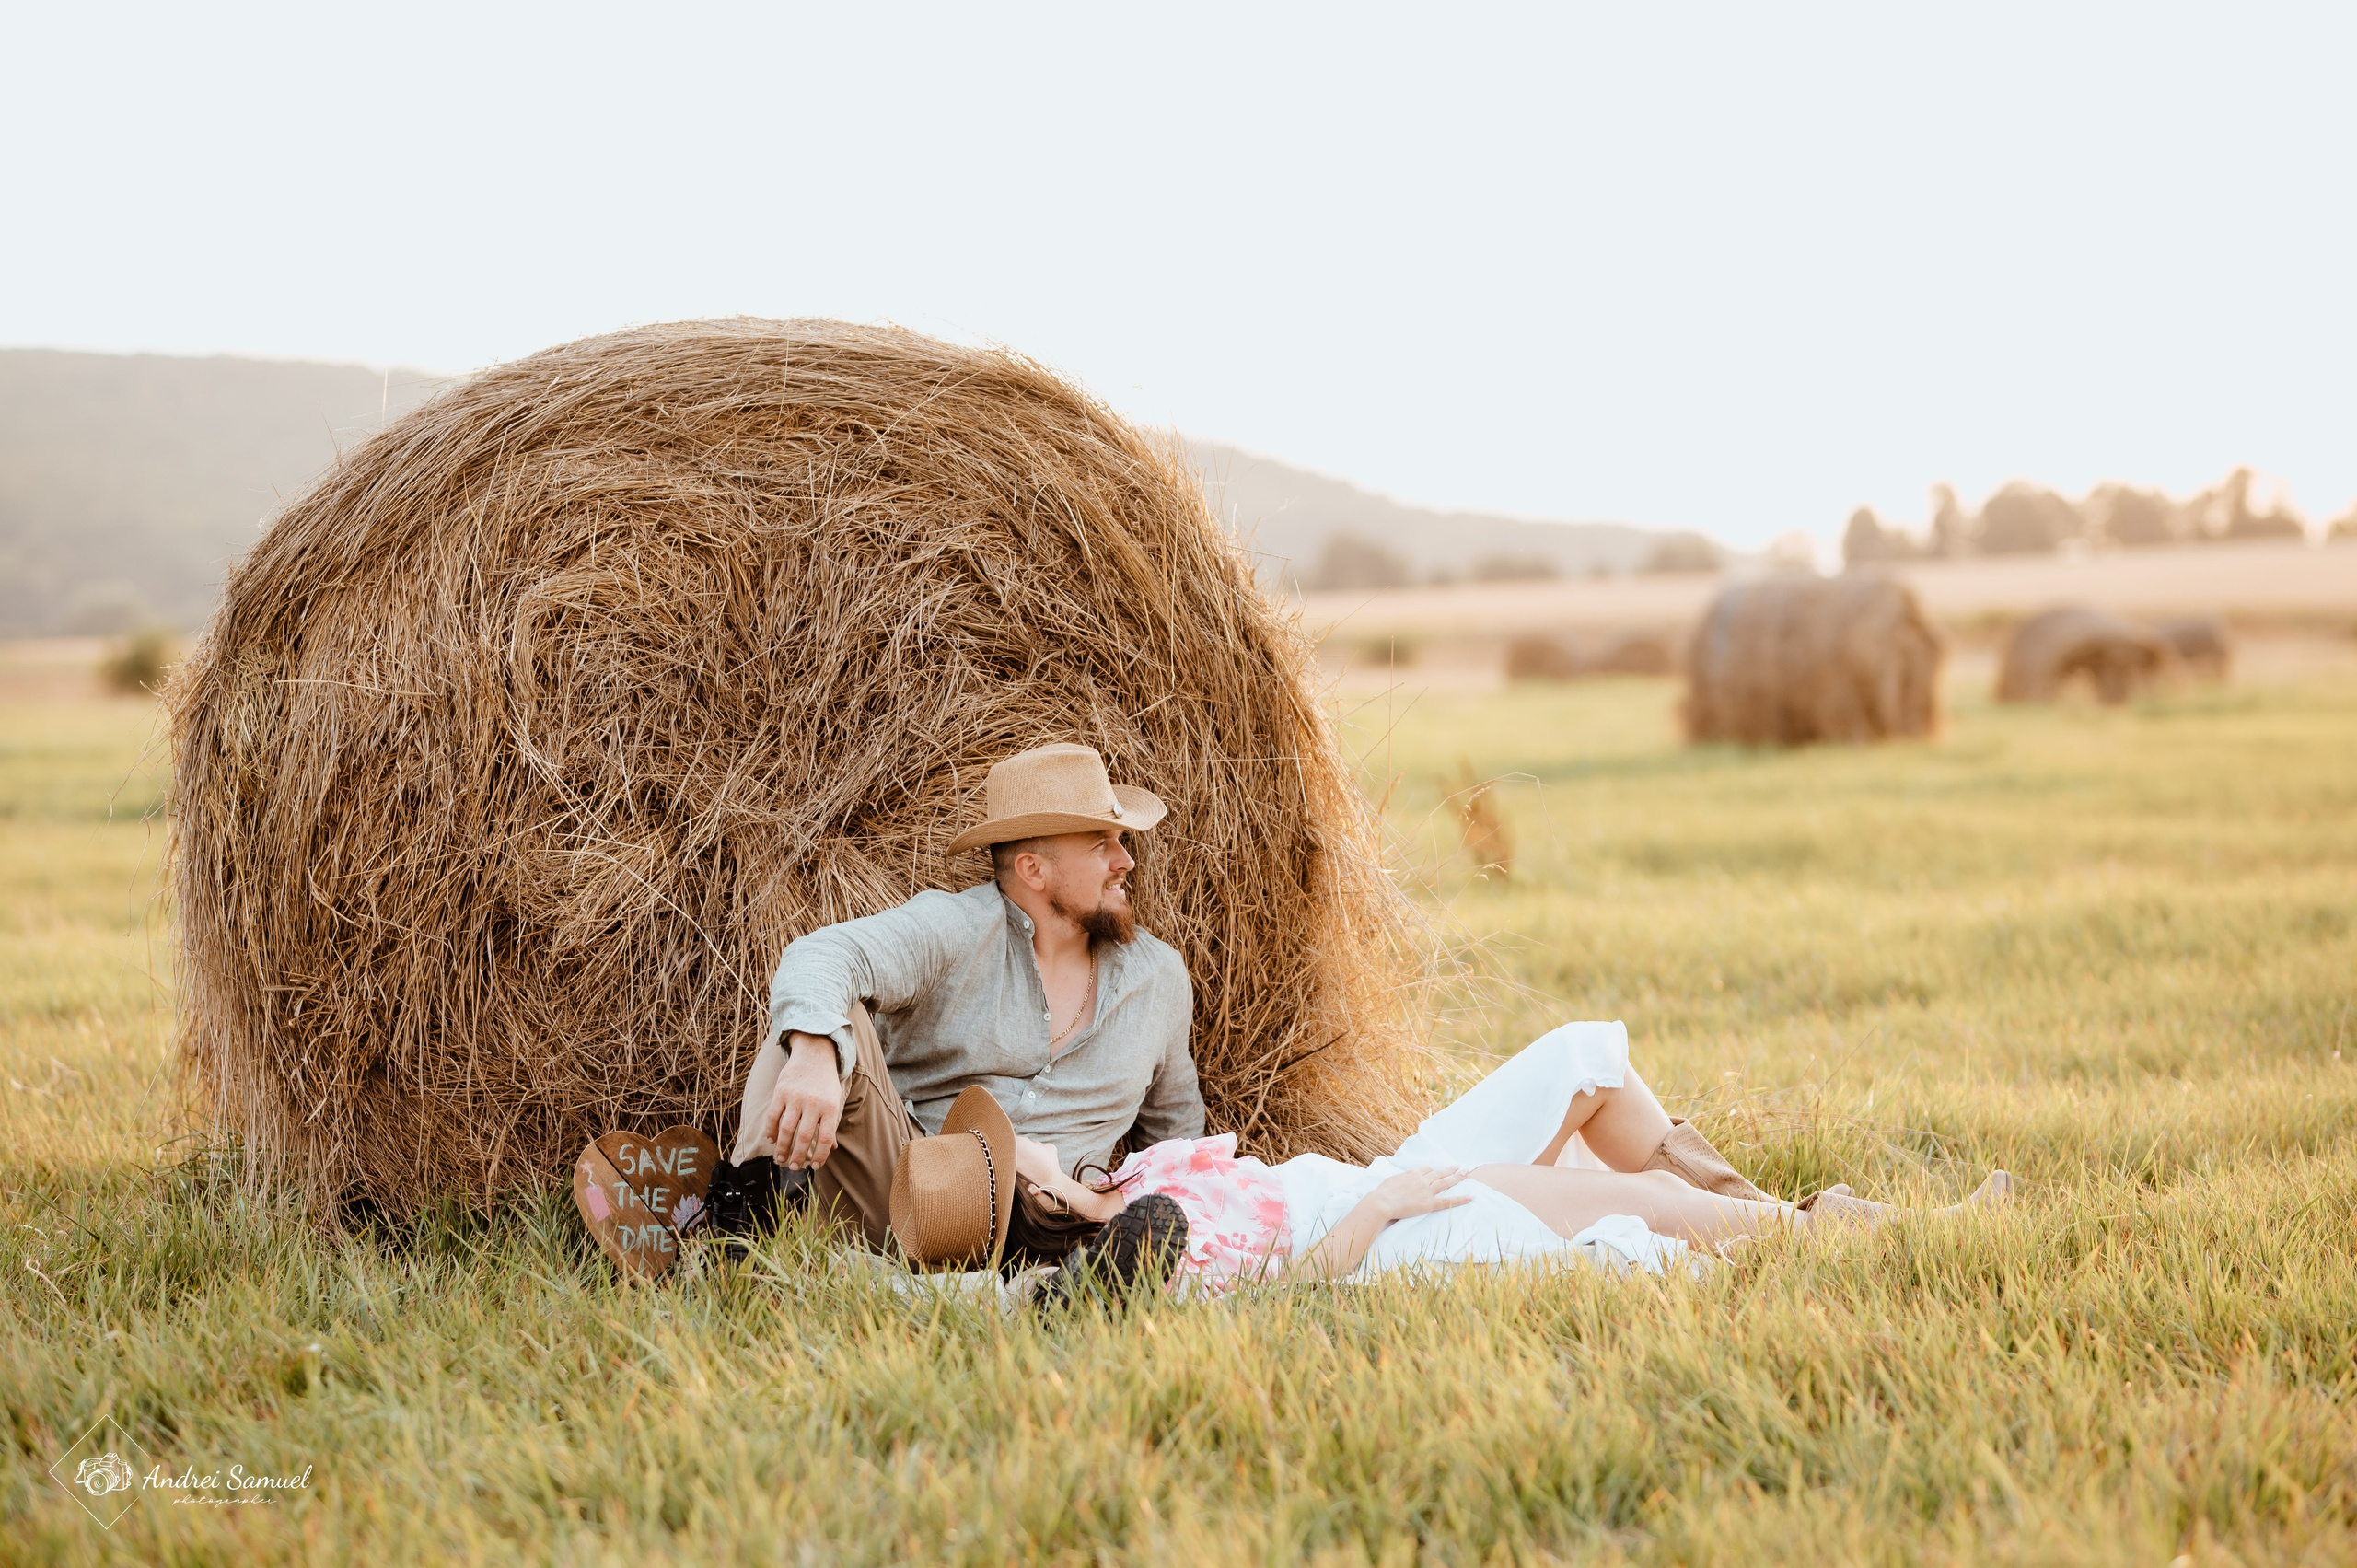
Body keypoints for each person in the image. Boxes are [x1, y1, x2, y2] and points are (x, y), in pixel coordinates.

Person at [1008, 1020, 2014, 1295]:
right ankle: (1885, 1235)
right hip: (1388, 1226)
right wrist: (1382, 1209)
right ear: (1032, 1192)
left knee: (1588, 1060)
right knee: (1642, 1202)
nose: (1022, 1125)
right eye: (1014, 1147)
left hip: (1388, 1179)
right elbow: (1280, 1286)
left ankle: (1794, 1220)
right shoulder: (1140, 1251)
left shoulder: (1131, 1177)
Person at [703, 742, 1204, 1291]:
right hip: (912, 1193)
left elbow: (1178, 1144)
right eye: (1100, 844)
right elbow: (823, 955)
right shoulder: (955, 928)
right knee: (815, 1018)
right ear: (1033, 869)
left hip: (1054, 1226)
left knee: (1090, 1255)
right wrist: (816, 1057)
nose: (1125, 860)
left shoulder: (1159, 979)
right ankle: (744, 1234)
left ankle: (819, 1277)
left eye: (1121, 841)